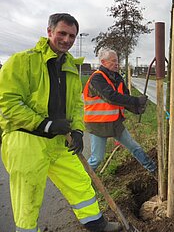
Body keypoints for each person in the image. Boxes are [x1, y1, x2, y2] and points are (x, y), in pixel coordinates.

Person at [0, 13, 122, 232]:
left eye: (72, 36)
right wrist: (45, 124)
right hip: (26, 141)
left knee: (80, 182)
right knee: (28, 197)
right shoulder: (22, 61)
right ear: (49, 32)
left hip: (59, 140)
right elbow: (7, 102)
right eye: (62, 33)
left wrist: (76, 130)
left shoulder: (69, 67)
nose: (67, 40)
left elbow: (76, 103)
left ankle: (96, 223)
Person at [84, 48, 156, 176]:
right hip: (98, 125)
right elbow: (111, 97)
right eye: (113, 61)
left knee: (134, 146)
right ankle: (82, 181)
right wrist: (136, 100)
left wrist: (136, 109)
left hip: (115, 123)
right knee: (97, 158)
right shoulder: (97, 79)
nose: (116, 64)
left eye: (117, 61)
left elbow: (124, 98)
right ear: (103, 62)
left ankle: (152, 169)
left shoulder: (117, 78)